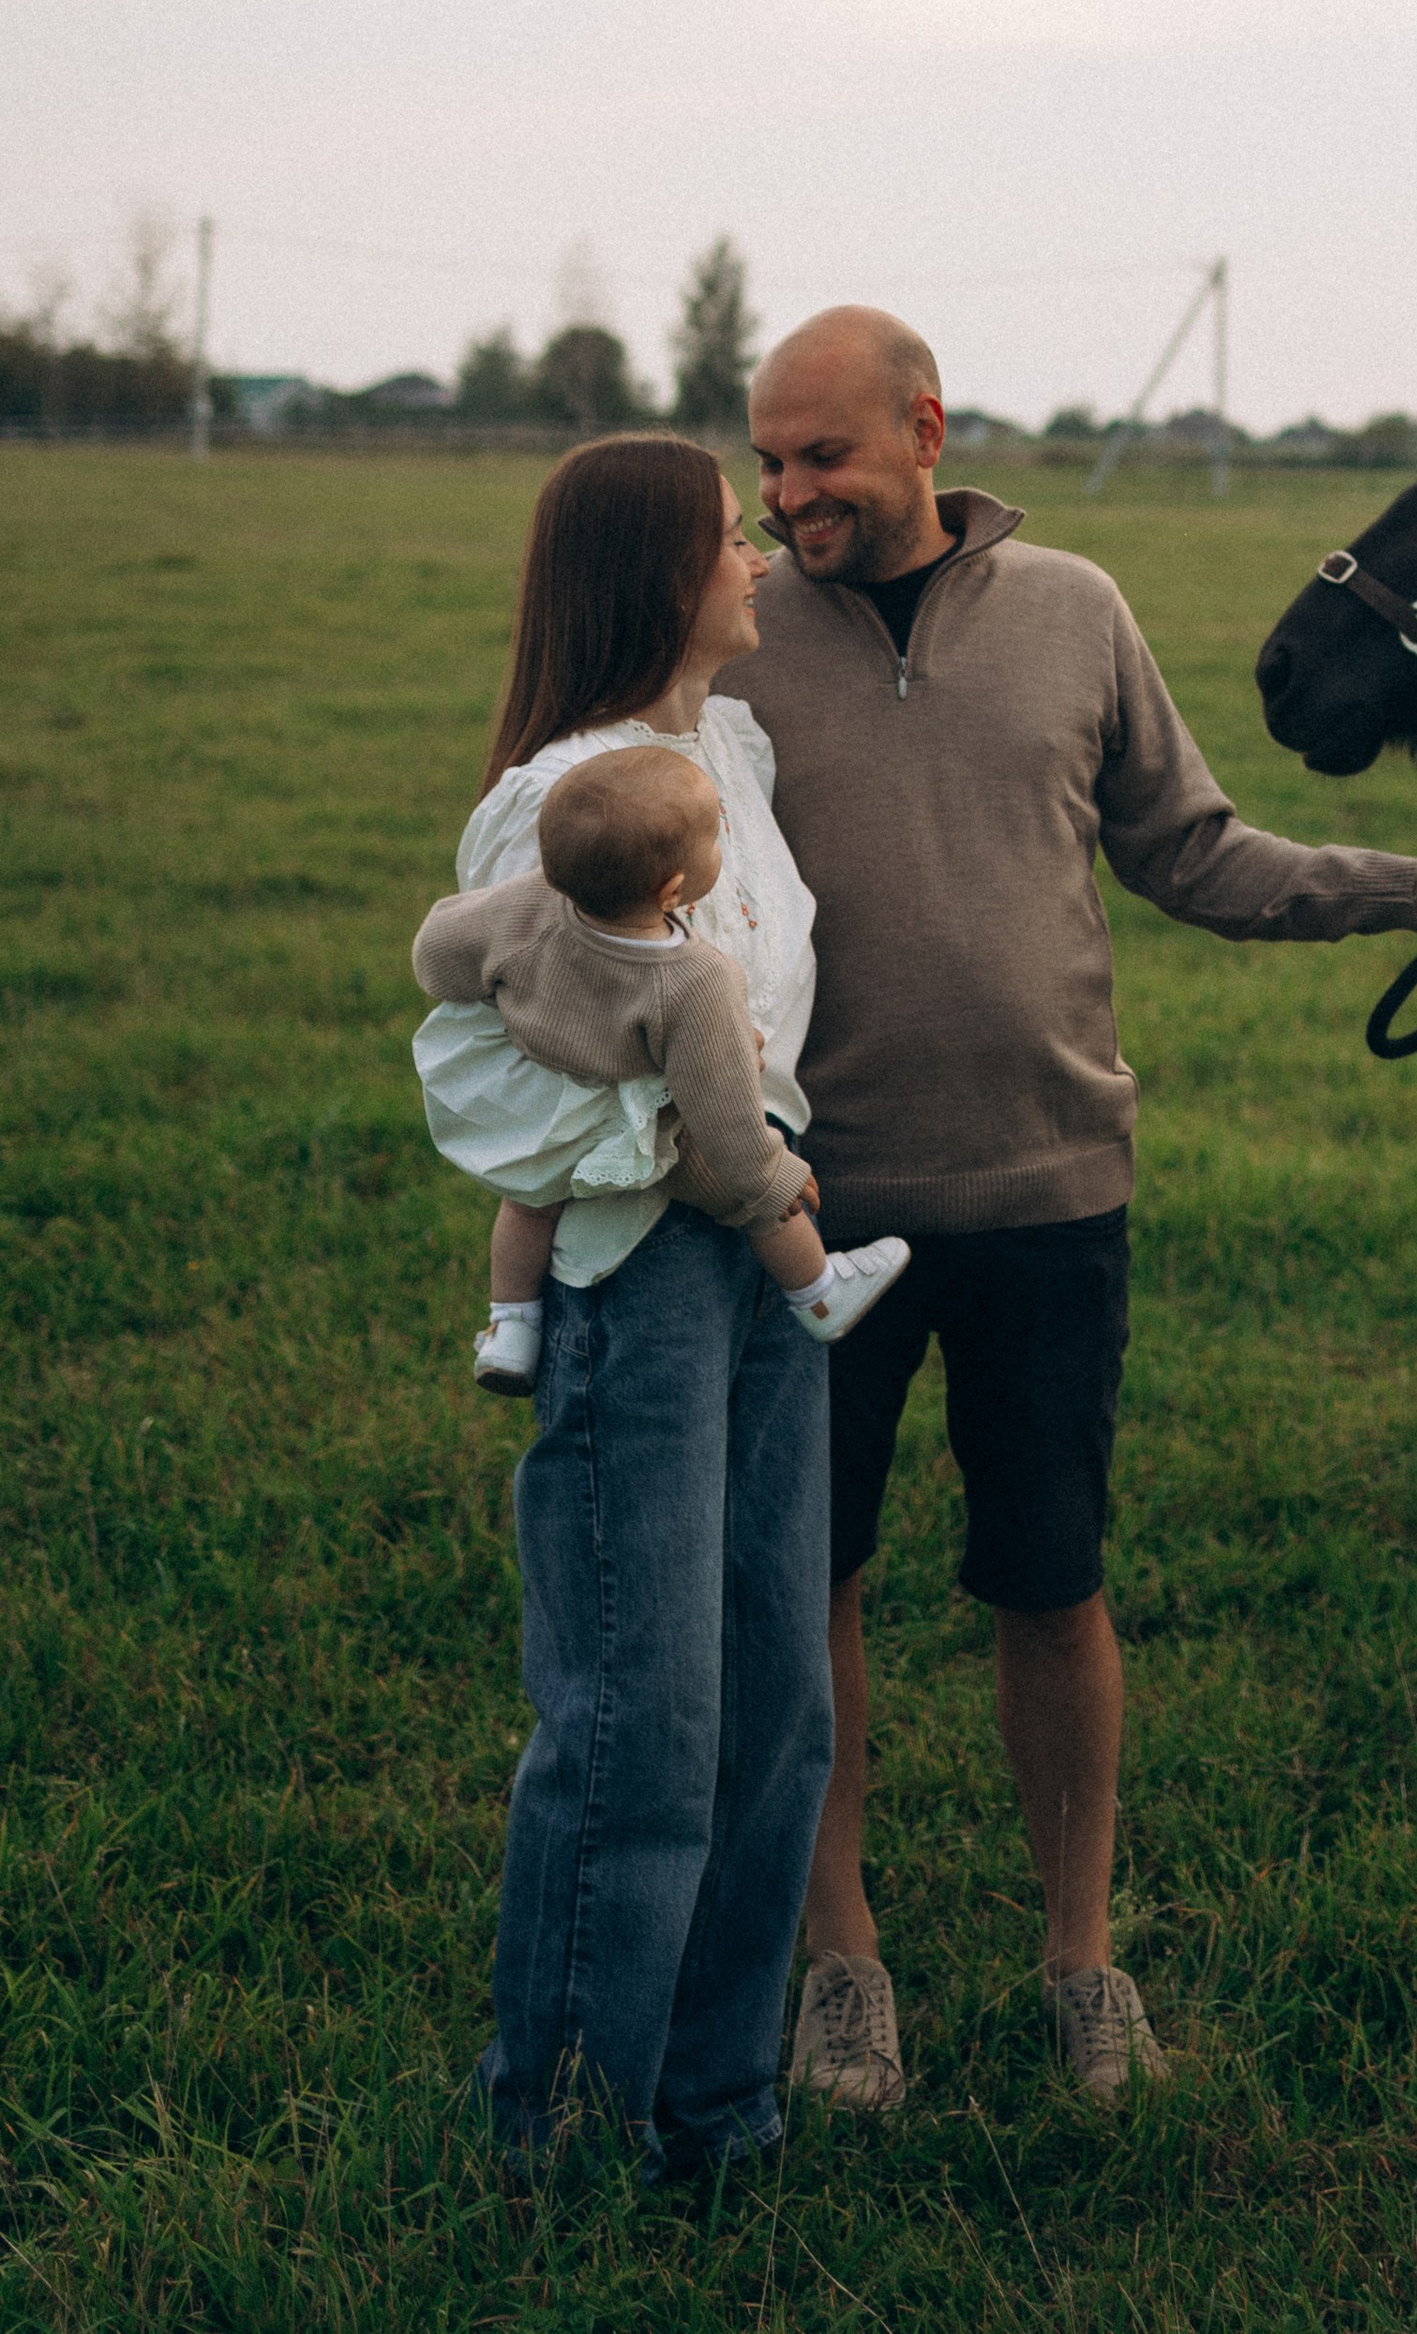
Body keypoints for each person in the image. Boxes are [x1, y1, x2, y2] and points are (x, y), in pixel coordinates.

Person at [724, 305, 1417, 2112]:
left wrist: (1411, 886)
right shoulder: (733, 635)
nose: (789, 495)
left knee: (1054, 1581)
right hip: (803, 1205)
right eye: (769, 460)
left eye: (823, 457)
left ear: (926, 432)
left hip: (1047, 1190)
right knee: (811, 1586)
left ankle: (1082, 1962)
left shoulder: (1077, 611)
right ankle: (839, 1963)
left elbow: (1193, 848)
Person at [409, 433, 841, 2180]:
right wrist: (691, 1145)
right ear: (664, 575)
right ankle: (570, 2140)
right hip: (642, 1273)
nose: (758, 559)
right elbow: (490, 1082)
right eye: (733, 536)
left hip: (766, 1259)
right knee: (638, 1719)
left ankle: (715, 2109)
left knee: (773, 1707)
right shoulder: (558, 800)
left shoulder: (726, 745)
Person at [412, 742, 912, 1392]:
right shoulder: (693, 980)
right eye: (713, 841)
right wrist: (771, 1175)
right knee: (751, 1206)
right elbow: (722, 1107)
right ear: (673, 888)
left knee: (529, 1203)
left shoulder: (530, 904)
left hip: (557, 1109)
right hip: (649, 1131)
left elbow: (438, 951)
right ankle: (818, 1292)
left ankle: (510, 1327)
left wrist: (473, 986)